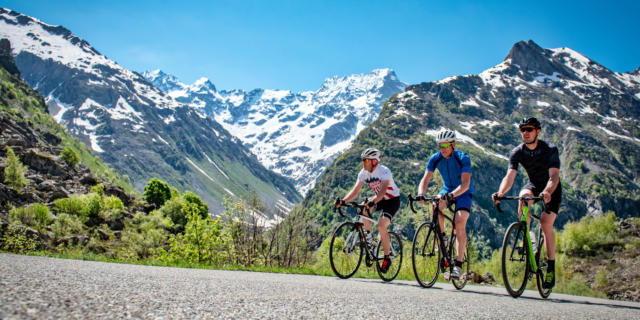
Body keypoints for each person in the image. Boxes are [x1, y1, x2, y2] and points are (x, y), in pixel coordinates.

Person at [492, 117, 561, 289]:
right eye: (523, 130)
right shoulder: (517, 152)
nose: (526, 133)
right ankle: (527, 236)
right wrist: (500, 193)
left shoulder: (549, 149)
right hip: (533, 185)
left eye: (529, 129)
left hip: (551, 189)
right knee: (523, 198)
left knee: (545, 224)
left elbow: (554, 176)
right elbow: (509, 176)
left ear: (538, 131)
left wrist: (547, 191)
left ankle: (550, 267)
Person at [417, 129, 474, 280]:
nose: (442, 149)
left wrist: (452, 195)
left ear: (453, 144)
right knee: (435, 205)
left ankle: (459, 264)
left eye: (446, 145)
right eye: (440, 146)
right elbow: (426, 178)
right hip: (447, 188)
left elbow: (465, 184)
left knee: (459, 221)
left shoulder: (463, 158)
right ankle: (443, 237)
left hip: (463, 192)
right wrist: (420, 193)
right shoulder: (435, 158)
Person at [335, 148, 401, 273]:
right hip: (379, 199)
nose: (363, 162)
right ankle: (369, 237)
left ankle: (387, 258)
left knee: (382, 225)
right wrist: (343, 201)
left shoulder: (384, 171)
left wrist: (373, 201)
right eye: (362, 160)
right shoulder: (363, 172)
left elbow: (382, 192)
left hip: (392, 200)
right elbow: (355, 191)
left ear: (374, 162)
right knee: (362, 208)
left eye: (366, 160)